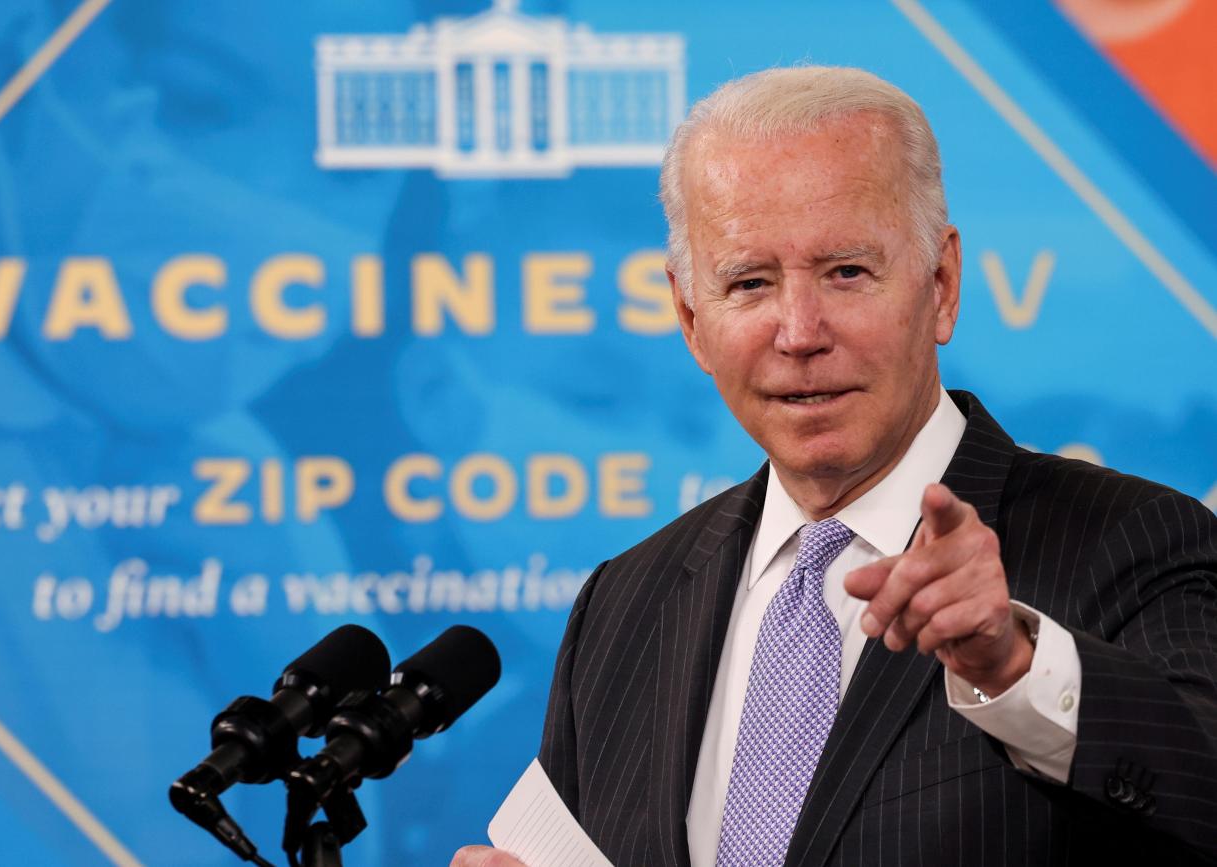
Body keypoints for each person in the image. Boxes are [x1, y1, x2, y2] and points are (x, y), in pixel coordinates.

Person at [453, 66, 1217, 866]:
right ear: (690, 319)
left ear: (942, 285)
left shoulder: (1133, 540)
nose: (799, 332)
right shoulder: (622, 606)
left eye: (846, 272)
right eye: (749, 282)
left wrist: (1015, 665)